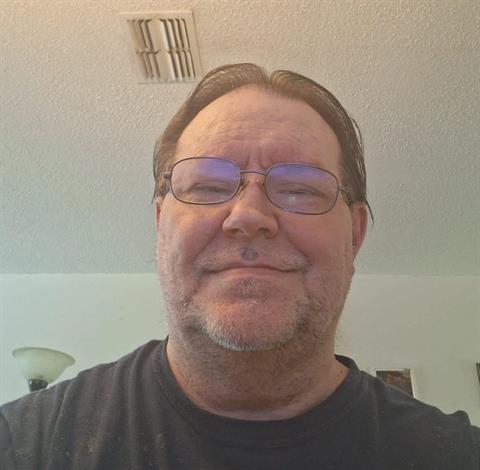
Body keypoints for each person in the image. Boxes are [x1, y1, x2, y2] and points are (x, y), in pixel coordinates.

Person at [1, 63, 478, 470]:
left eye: (300, 188)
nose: (248, 215)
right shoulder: (22, 444)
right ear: (161, 222)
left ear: (354, 235)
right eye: (208, 186)